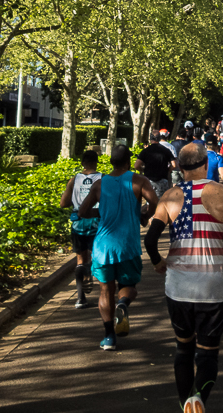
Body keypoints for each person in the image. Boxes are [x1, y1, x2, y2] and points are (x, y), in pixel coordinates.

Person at [145, 143, 223, 413]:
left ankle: (185, 403)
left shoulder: (169, 196)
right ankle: (198, 399)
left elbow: (150, 239)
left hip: (178, 288)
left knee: (183, 351)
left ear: (180, 168)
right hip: (213, 289)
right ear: (206, 164)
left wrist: (158, 261)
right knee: (207, 354)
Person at [79, 144, 159, 350]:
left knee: (105, 290)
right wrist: (143, 216)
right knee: (129, 288)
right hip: (127, 246)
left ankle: (109, 338)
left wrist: (101, 213)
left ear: (111, 161)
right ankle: (122, 305)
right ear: (128, 161)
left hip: (103, 246)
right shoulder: (140, 181)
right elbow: (155, 204)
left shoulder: (100, 184)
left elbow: (83, 211)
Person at [60, 149, 103, 309]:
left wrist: (77, 200)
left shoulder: (74, 180)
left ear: (82, 163)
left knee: (80, 259)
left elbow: (63, 203)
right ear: (96, 162)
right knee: (99, 257)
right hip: (97, 222)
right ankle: (104, 292)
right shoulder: (102, 178)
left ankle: (80, 298)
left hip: (78, 223)